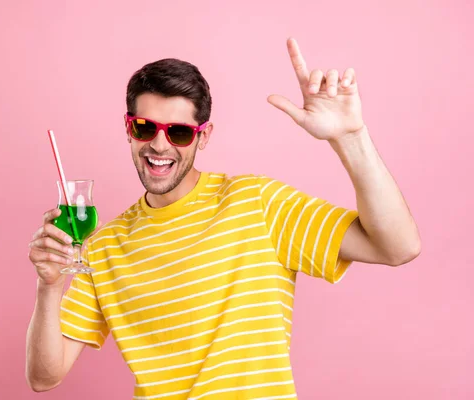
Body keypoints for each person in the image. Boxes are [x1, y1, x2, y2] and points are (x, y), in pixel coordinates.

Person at [25, 38, 421, 399]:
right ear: (128, 129)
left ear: (204, 135)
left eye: (178, 132)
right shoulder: (105, 245)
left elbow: (398, 247)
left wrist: (350, 138)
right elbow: (44, 376)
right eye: (145, 128)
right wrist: (50, 286)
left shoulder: (257, 202)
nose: (159, 145)